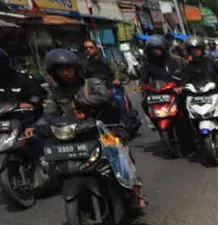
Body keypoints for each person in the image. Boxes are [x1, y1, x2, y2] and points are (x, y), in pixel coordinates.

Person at [34, 48, 147, 208]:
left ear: (75, 68)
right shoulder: (56, 93)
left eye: (68, 68)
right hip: (73, 135)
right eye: (60, 70)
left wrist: (82, 103)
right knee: (53, 159)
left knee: (120, 152)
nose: (65, 73)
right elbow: (49, 113)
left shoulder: (91, 83)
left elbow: (105, 96)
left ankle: (134, 190)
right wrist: (38, 126)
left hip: (102, 130)